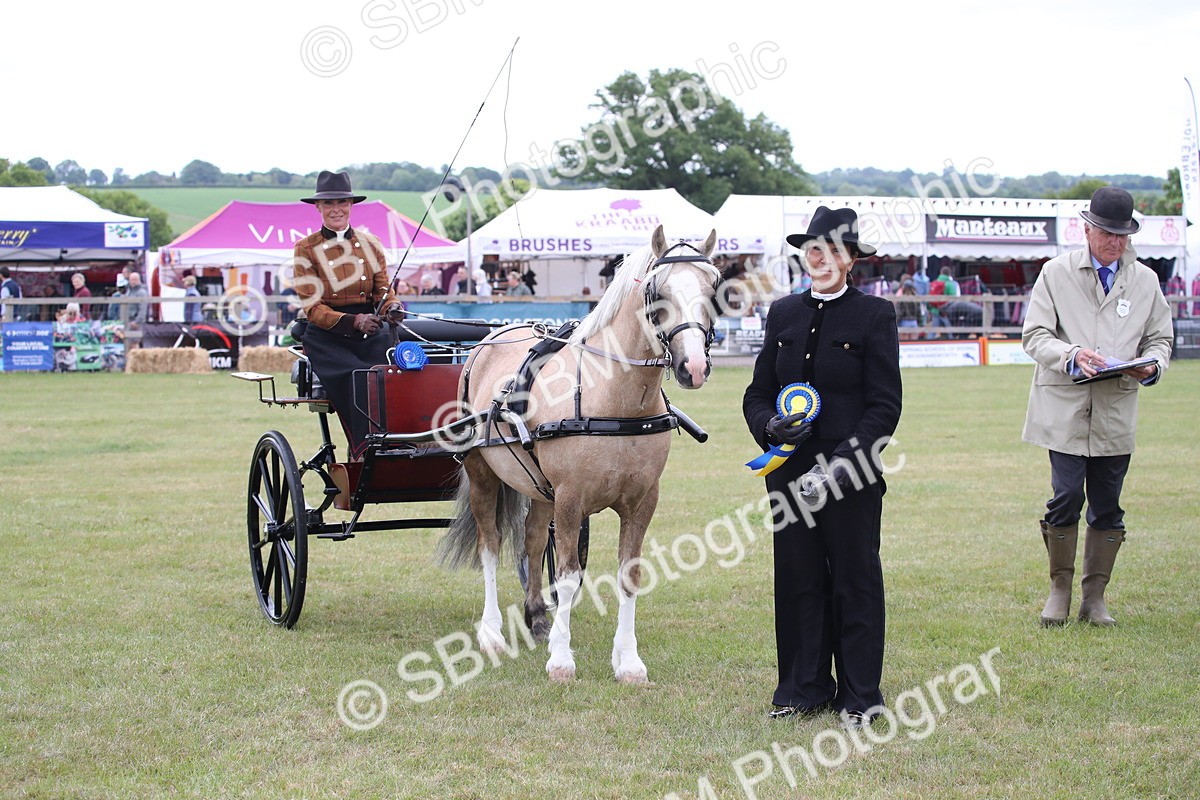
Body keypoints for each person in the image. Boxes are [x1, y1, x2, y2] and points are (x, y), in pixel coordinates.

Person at [742, 206, 902, 729]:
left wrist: (843, 462)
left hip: (850, 474)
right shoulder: (783, 313)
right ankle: (802, 689)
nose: (822, 258)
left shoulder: (875, 315)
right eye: (814, 249)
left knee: (855, 580)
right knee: (797, 578)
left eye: (834, 250)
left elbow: (885, 405)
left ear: (852, 259)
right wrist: (769, 427)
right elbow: (757, 393)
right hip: (788, 473)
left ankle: (860, 696)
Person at [1022, 186, 1173, 627]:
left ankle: (1095, 598)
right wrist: (1071, 354)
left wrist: (1153, 365)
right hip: (1064, 409)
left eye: (1122, 234)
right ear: (1086, 230)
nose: (1115, 242)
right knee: (1066, 497)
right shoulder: (1055, 272)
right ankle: (1059, 590)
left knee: (1108, 505)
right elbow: (1035, 335)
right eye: (1107, 233)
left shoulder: (1146, 281)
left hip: (1115, 411)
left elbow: (1160, 339)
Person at [290, 170, 405, 455]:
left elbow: (383, 290)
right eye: (329, 203)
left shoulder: (371, 244)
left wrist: (392, 307)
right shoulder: (305, 248)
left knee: (392, 375)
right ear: (318, 207)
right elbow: (312, 307)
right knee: (361, 377)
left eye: (342, 202)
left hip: (371, 330)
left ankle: (403, 440)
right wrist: (354, 322)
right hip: (329, 335)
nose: (336, 209)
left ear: (351, 205)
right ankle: (366, 447)